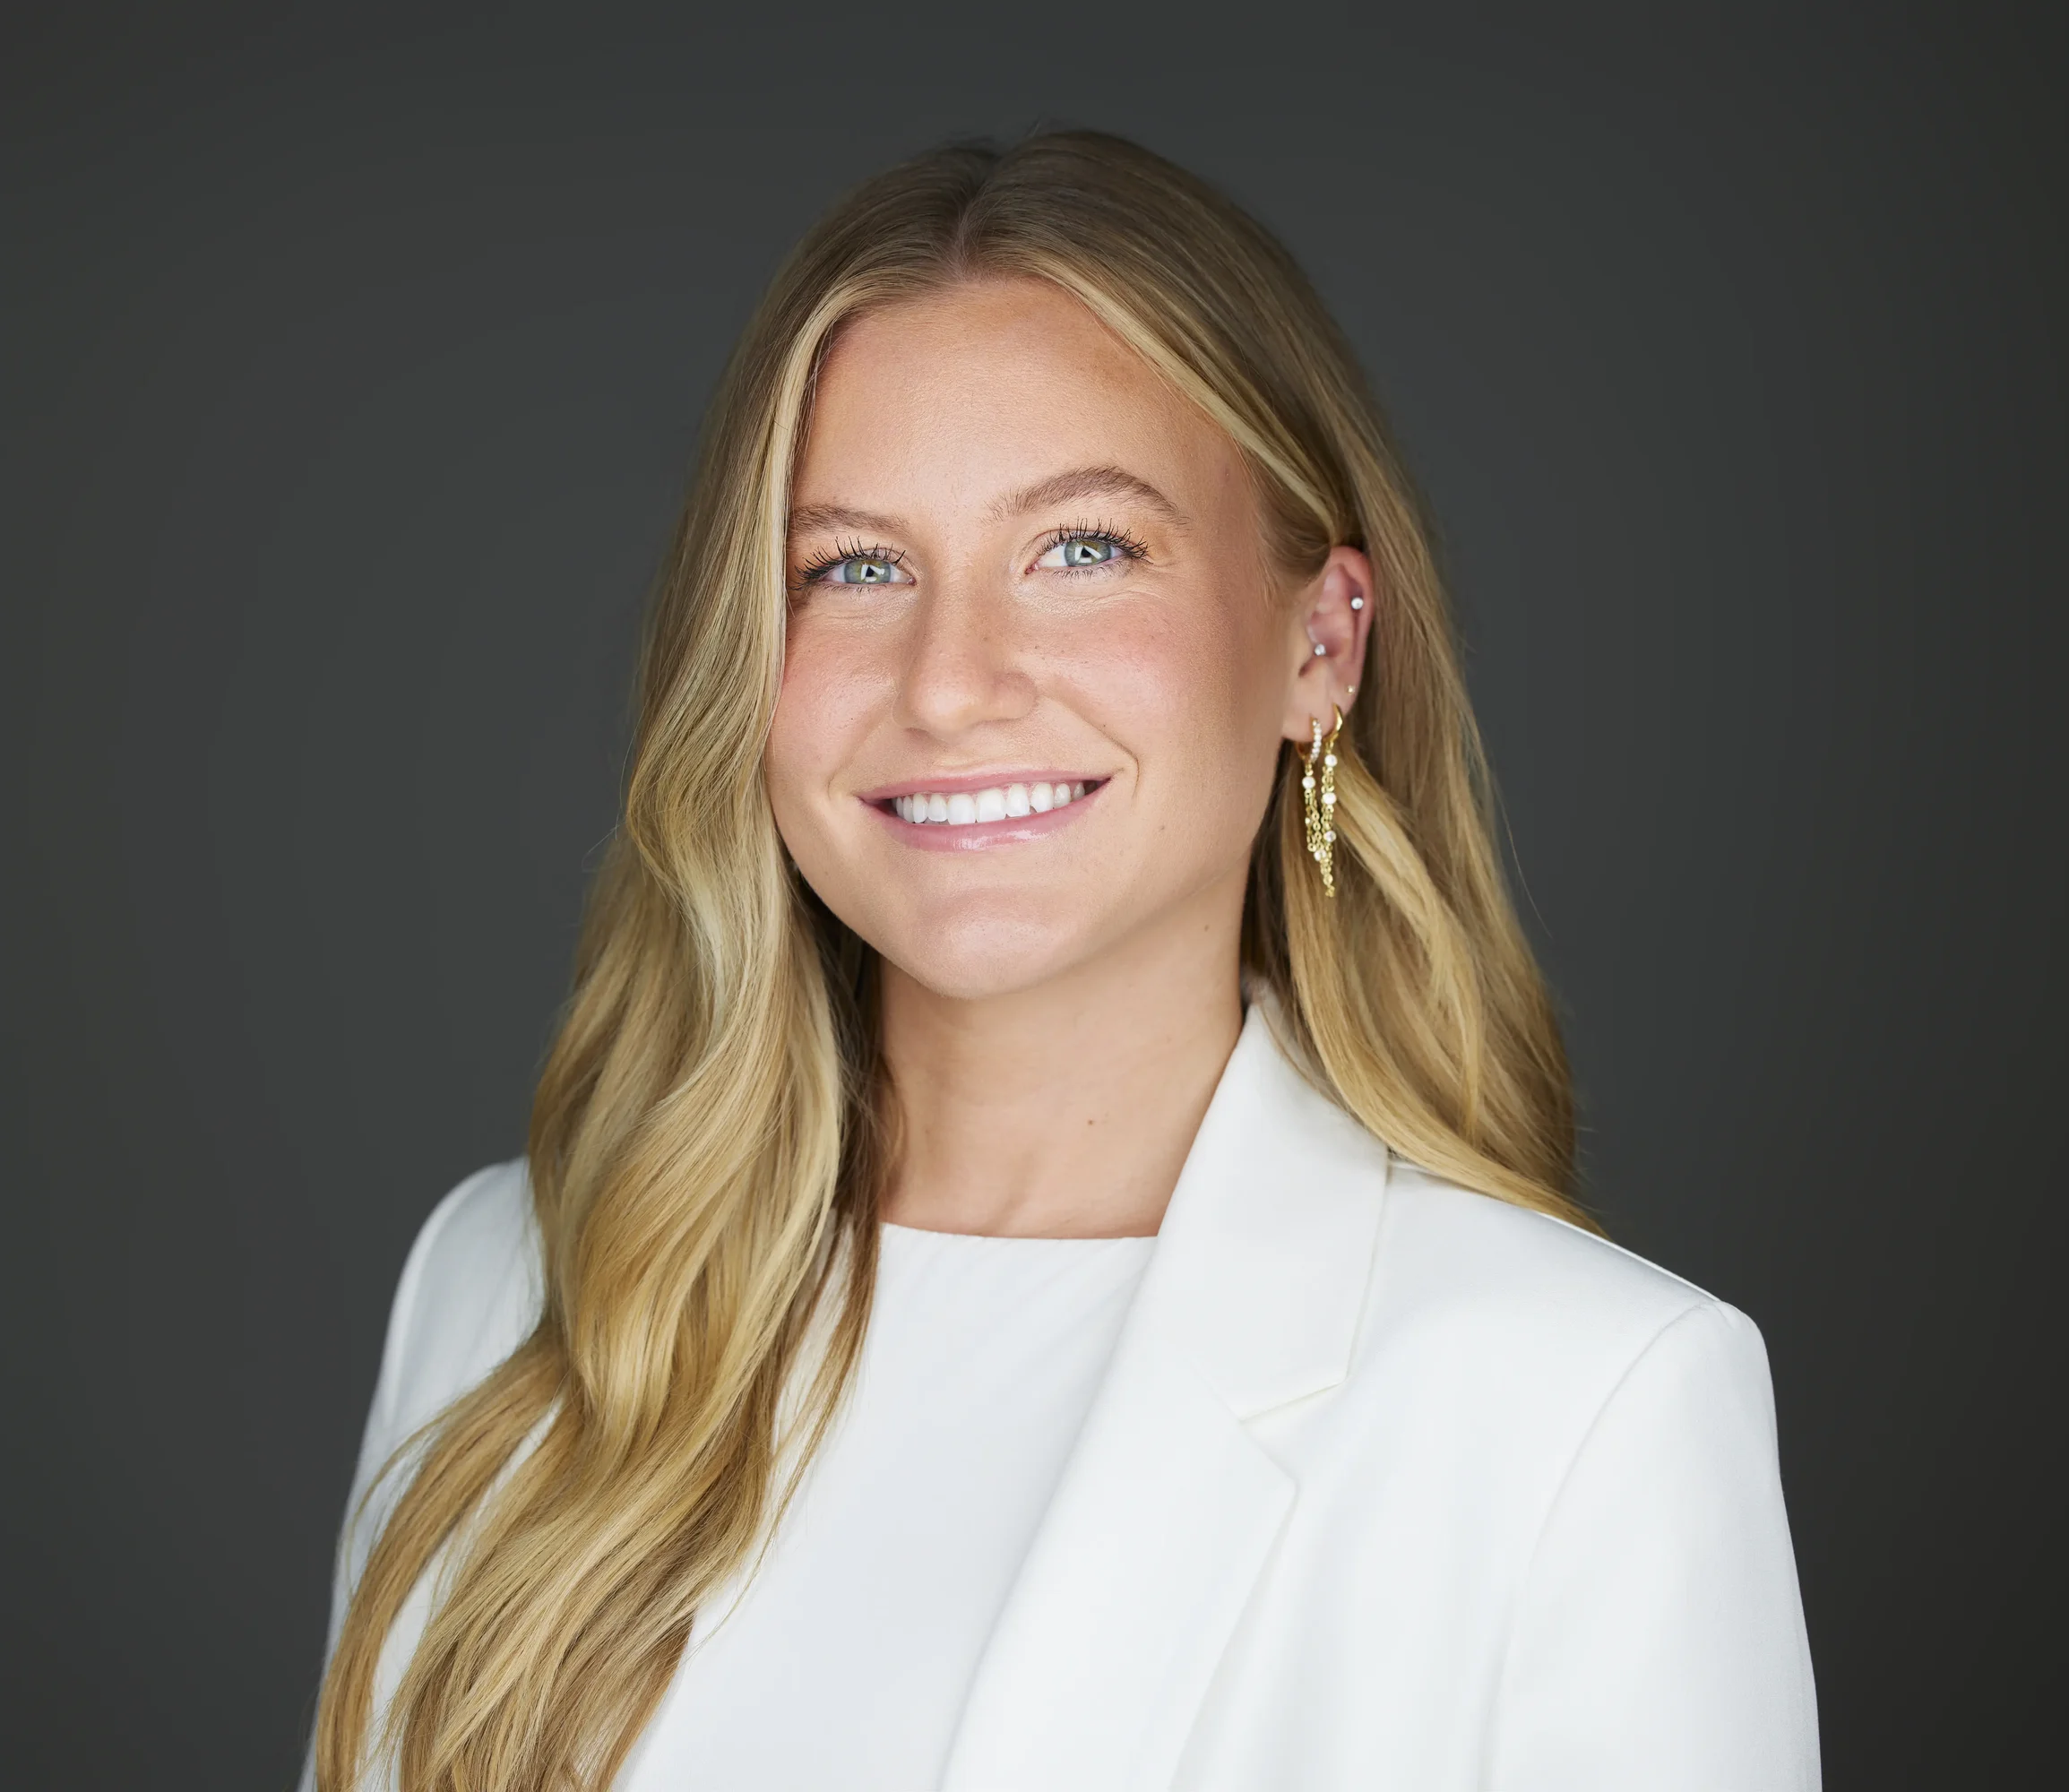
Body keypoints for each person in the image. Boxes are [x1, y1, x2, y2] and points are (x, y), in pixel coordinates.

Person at [303, 131, 1819, 1792]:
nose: (953, 683)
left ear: (1320, 643)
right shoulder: (502, 1284)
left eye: (1084, 547)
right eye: (853, 567)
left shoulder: (1583, 1407)